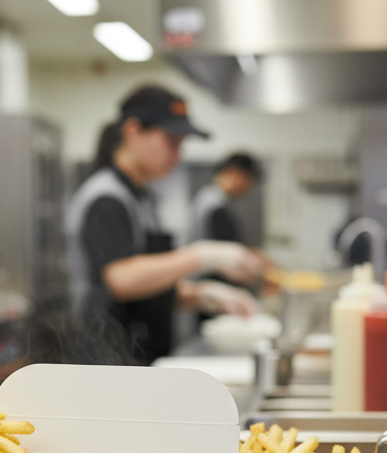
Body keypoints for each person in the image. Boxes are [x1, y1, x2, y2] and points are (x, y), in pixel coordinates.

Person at [65, 85, 263, 365]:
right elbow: (121, 280)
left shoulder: (142, 199)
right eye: (171, 141)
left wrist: (202, 295)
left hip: (140, 359)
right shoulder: (106, 198)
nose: (177, 155)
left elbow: (148, 287)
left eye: (181, 144)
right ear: (133, 132)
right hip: (107, 364)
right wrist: (203, 256)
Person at [188, 152, 262, 246]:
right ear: (234, 172)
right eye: (248, 180)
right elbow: (227, 248)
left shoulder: (206, 197)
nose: (249, 188)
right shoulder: (215, 206)